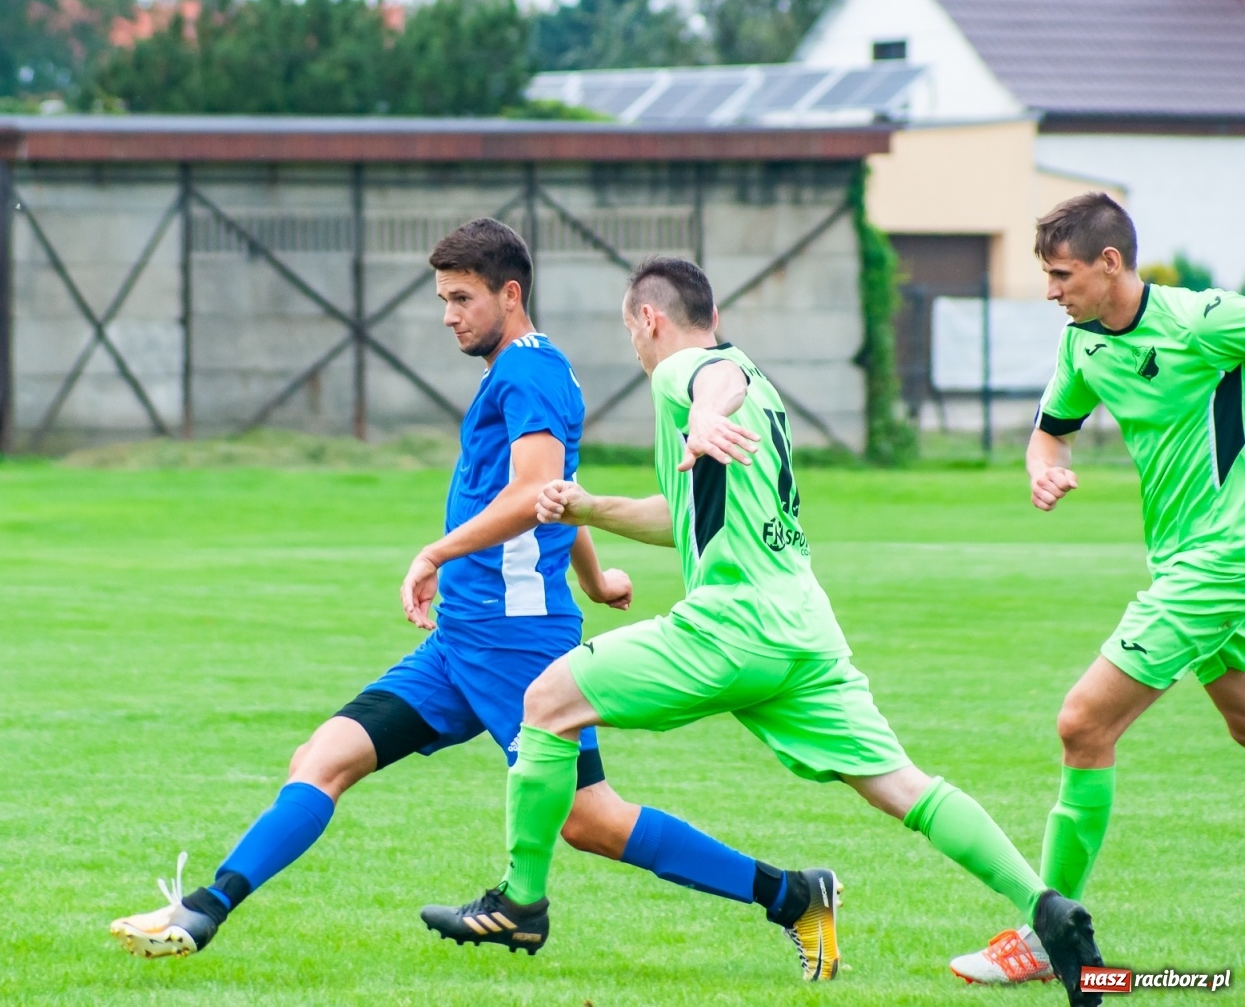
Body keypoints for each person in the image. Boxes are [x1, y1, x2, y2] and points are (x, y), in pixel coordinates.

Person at [110, 220, 825, 969]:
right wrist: (595, 576)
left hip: (516, 636)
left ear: (508, 295)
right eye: (443, 298)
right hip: (463, 638)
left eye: (461, 298)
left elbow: (531, 490)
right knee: (323, 757)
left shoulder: (530, 373)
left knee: (590, 821)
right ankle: (202, 912)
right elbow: (558, 496)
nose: (448, 314)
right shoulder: (527, 371)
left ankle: (791, 895)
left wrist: (437, 551)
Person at [422, 255, 1106, 1005]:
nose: (636, 348)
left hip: (732, 627)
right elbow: (685, 519)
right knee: (906, 787)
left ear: (649, 319)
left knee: (547, 702)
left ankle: (520, 903)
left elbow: (714, 383)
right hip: (804, 631)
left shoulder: (687, 374)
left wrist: (708, 409)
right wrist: (590, 509)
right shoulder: (763, 390)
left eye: (632, 332)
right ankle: (1047, 909)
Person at [950, 194, 1245, 985]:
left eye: (1061, 273)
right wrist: (1045, 472)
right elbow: (1050, 431)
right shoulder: (1083, 345)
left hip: (1220, 562)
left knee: (1083, 724)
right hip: (1183, 558)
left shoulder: (1204, 320)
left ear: (1109, 263)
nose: (1051, 290)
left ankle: (1049, 937)